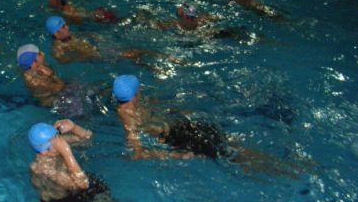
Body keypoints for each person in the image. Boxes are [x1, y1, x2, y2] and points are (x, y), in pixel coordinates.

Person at [29, 120, 196, 202]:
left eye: (59, 138)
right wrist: (67, 152)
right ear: (45, 150)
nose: (61, 142)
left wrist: (74, 127)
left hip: (84, 196)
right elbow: (82, 184)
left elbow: (87, 138)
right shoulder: (43, 168)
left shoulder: (53, 149)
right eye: (57, 141)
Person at [112, 75, 302, 176]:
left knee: (234, 150)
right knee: (234, 155)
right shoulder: (129, 117)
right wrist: (175, 155)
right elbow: (136, 153)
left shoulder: (132, 106)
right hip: (186, 138)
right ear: (136, 93)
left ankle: (288, 169)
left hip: (187, 130)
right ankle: (288, 171)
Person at [46, 16, 185, 67]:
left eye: (66, 24)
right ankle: (168, 61)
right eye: (63, 27)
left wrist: (95, 36)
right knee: (136, 52)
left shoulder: (68, 36)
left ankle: (154, 66)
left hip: (99, 51)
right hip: (99, 57)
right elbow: (63, 62)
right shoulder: (58, 48)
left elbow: (82, 35)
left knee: (133, 55)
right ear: (56, 33)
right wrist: (84, 56)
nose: (68, 27)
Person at [49, 0, 119, 25]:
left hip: (100, 18)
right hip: (98, 13)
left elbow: (79, 23)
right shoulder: (66, 5)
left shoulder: (68, 13)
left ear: (58, 2)